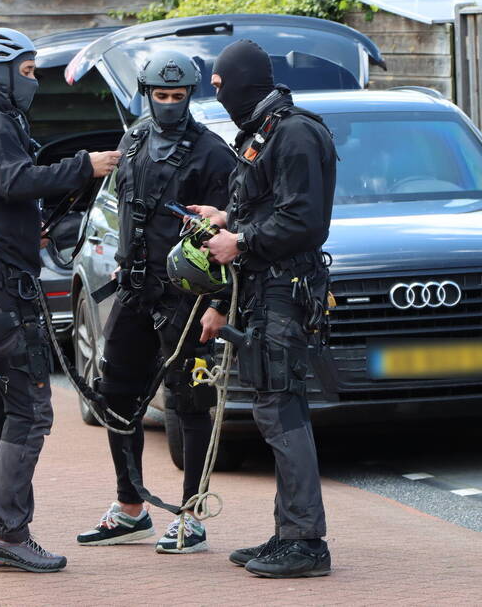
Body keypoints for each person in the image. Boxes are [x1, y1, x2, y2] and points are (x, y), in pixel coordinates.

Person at [0, 28, 120, 573]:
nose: (31, 79)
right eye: (24, 69)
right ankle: (10, 534)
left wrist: (25, 232)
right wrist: (85, 166)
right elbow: (15, 180)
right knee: (31, 411)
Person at [75, 50, 236, 554]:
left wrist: (221, 302)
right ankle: (130, 509)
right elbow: (125, 212)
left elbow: (231, 236)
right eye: (161, 96)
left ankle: (191, 516)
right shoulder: (134, 140)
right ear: (146, 94)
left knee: (188, 403)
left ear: (191, 95)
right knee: (114, 396)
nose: (169, 104)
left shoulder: (213, 153)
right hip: (134, 291)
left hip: (187, 298)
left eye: (178, 96)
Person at [190, 39, 336, 578]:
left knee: (282, 410)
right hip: (261, 291)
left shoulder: (295, 133)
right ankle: (287, 533)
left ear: (243, 83)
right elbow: (269, 206)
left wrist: (241, 243)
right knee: (273, 410)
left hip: (285, 291)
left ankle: (306, 543)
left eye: (222, 87)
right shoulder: (262, 134)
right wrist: (227, 219)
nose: (220, 97)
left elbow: (305, 221)